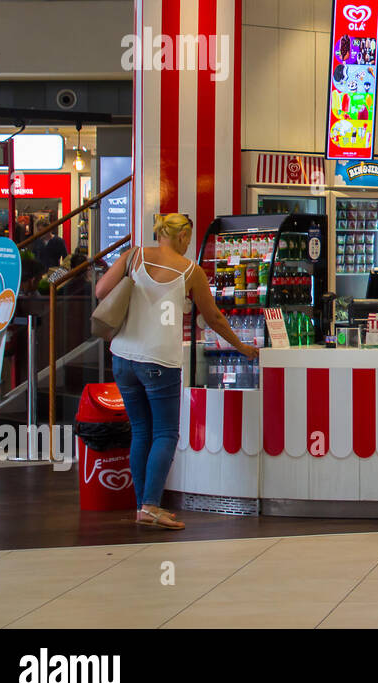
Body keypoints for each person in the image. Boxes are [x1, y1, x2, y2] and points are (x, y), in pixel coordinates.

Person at [96, 213, 258, 530]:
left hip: (123, 357)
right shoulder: (190, 271)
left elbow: (102, 290)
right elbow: (214, 318)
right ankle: (152, 506)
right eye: (189, 238)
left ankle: (143, 505)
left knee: (141, 432)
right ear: (183, 236)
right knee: (165, 433)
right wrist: (242, 347)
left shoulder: (133, 256)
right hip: (159, 361)